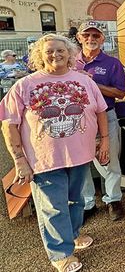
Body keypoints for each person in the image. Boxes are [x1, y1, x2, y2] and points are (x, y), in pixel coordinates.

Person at [0, 34, 109, 272]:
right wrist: (19, 159)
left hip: (80, 155)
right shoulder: (25, 85)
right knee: (53, 206)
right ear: (39, 55)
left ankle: (72, 236)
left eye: (61, 50)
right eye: (49, 51)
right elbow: (8, 123)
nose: (56, 55)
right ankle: (60, 253)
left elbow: (101, 110)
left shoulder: (85, 81)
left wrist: (105, 141)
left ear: (70, 54)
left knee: (75, 200)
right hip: (44, 159)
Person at [75, 21, 125, 222]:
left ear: (102, 39)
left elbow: (120, 92)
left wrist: (91, 83)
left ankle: (113, 199)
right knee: (82, 162)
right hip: (77, 119)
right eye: (86, 35)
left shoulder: (112, 63)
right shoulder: (70, 61)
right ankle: (88, 202)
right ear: (79, 38)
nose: (91, 39)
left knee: (110, 159)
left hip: (106, 116)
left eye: (95, 36)